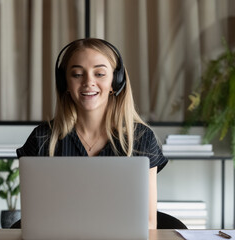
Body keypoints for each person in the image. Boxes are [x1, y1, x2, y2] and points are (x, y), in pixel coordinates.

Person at [16, 38, 168, 229]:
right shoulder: (42, 138)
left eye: (100, 73)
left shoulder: (141, 139)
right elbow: (35, 220)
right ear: (65, 84)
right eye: (78, 74)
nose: (89, 82)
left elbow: (148, 223)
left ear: (116, 81)